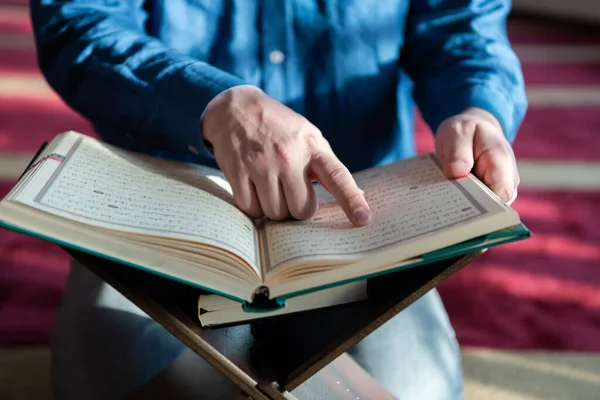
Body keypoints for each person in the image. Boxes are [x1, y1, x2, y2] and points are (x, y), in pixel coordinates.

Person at [30, 0, 527, 398]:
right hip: (163, 205)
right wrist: (210, 102)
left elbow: (461, 25)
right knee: (109, 384)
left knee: (421, 389)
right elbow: (81, 24)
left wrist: (478, 107)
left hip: (363, 220)